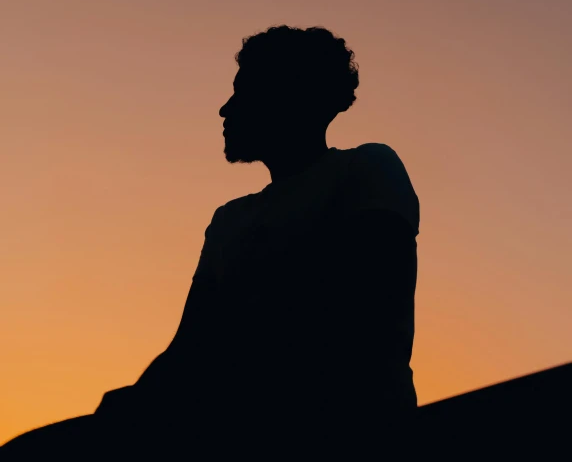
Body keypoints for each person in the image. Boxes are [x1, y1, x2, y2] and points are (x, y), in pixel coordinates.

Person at [2, 25, 420, 458]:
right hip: (225, 422)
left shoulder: (368, 167)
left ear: (288, 96)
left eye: (242, 93)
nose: (225, 109)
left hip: (339, 425)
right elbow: (189, 347)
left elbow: (368, 309)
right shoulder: (229, 220)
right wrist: (133, 401)